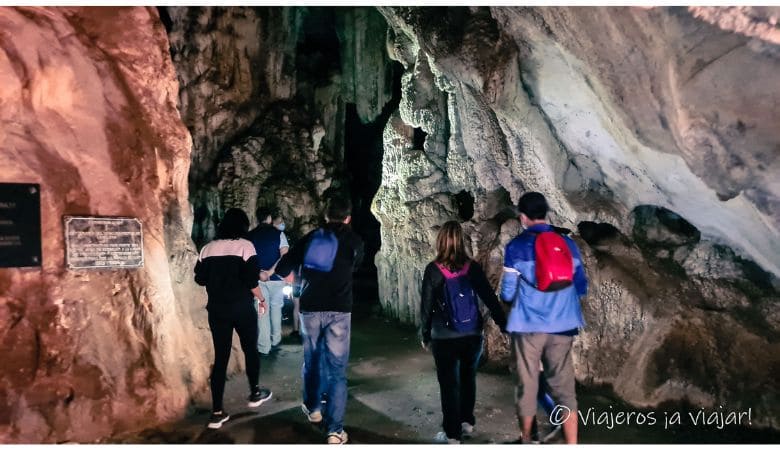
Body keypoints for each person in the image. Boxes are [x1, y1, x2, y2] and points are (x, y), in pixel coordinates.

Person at [273, 194, 364, 445]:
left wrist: (299, 279)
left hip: (310, 308)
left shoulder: (312, 237)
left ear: (326, 215)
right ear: (348, 218)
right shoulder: (354, 241)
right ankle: (335, 431)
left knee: (312, 360)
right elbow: (356, 266)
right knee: (337, 370)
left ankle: (313, 409)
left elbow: (282, 268)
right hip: (339, 310)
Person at [500, 192, 588, 444]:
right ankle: (572, 444)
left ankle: (528, 439)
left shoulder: (516, 247)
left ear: (523, 217)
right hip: (563, 324)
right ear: (546, 214)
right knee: (565, 389)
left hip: (528, 326)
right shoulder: (567, 244)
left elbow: (508, 292)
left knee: (527, 386)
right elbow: (581, 286)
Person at [420, 220, 508, 444]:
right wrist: (503, 324)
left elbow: (426, 306)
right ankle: (467, 422)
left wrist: (425, 334)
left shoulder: (433, 270)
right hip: (472, 334)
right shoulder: (472, 267)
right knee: (468, 378)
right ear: (461, 241)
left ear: (440, 241)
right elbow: (489, 298)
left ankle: (452, 434)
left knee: (449, 384)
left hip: (444, 336)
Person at [194, 208, 273, 429]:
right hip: (242, 308)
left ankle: (217, 413)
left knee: (221, 358)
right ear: (243, 226)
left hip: (217, 310)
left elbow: (199, 278)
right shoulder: (245, 246)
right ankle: (255, 393)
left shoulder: (207, 249)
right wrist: (262, 300)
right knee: (250, 350)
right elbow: (251, 281)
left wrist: (218, 279)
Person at [248, 206, 289, 355]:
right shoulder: (279, 234)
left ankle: (264, 347)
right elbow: (284, 255)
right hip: (277, 279)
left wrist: (260, 273)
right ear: (270, 218)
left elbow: (248, 259)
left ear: (257, 218)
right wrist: (270, 272)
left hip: (258, 280)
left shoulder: (250, 235)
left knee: (262, 311)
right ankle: (275, 340)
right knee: (276, 308)